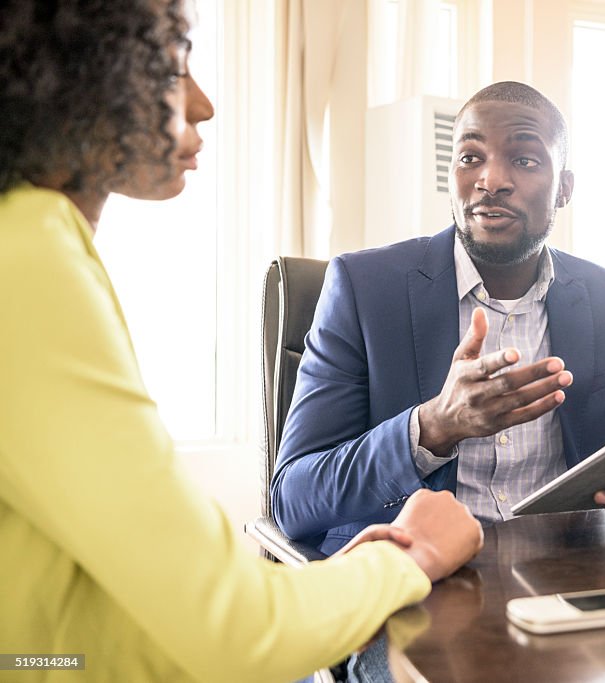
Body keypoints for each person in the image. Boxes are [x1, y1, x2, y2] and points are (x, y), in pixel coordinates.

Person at [0, 3, 482, 682]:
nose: (203, 104)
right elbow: (239, 631)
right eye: (172, 70)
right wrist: (411, 555)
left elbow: (66, 639)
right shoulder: (28, 257)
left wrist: (330, 586)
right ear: (79, 78)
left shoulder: (36, 242)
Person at [272, 81, 605, 555]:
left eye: (525, 160)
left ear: (565, 189)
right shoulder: (364, 288)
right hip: (414, 585)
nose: (490, 180)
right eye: (470, 157)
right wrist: (432, 426)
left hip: (569, 577)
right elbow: (293, 497)